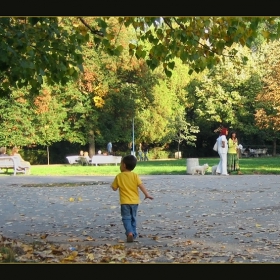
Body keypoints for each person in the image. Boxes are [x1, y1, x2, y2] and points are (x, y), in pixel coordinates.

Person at [111, 155, 154, 242]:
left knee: (126, 218)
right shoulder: (135, 176)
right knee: (133, 217)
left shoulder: (119, 176)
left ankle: (129, 232)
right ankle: (133, 234)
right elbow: (141, 185)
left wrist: (112, 186)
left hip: (124, 202)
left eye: (120, 163)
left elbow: (114, 188)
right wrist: (146, 194)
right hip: (134, 202)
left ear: (124, 165)